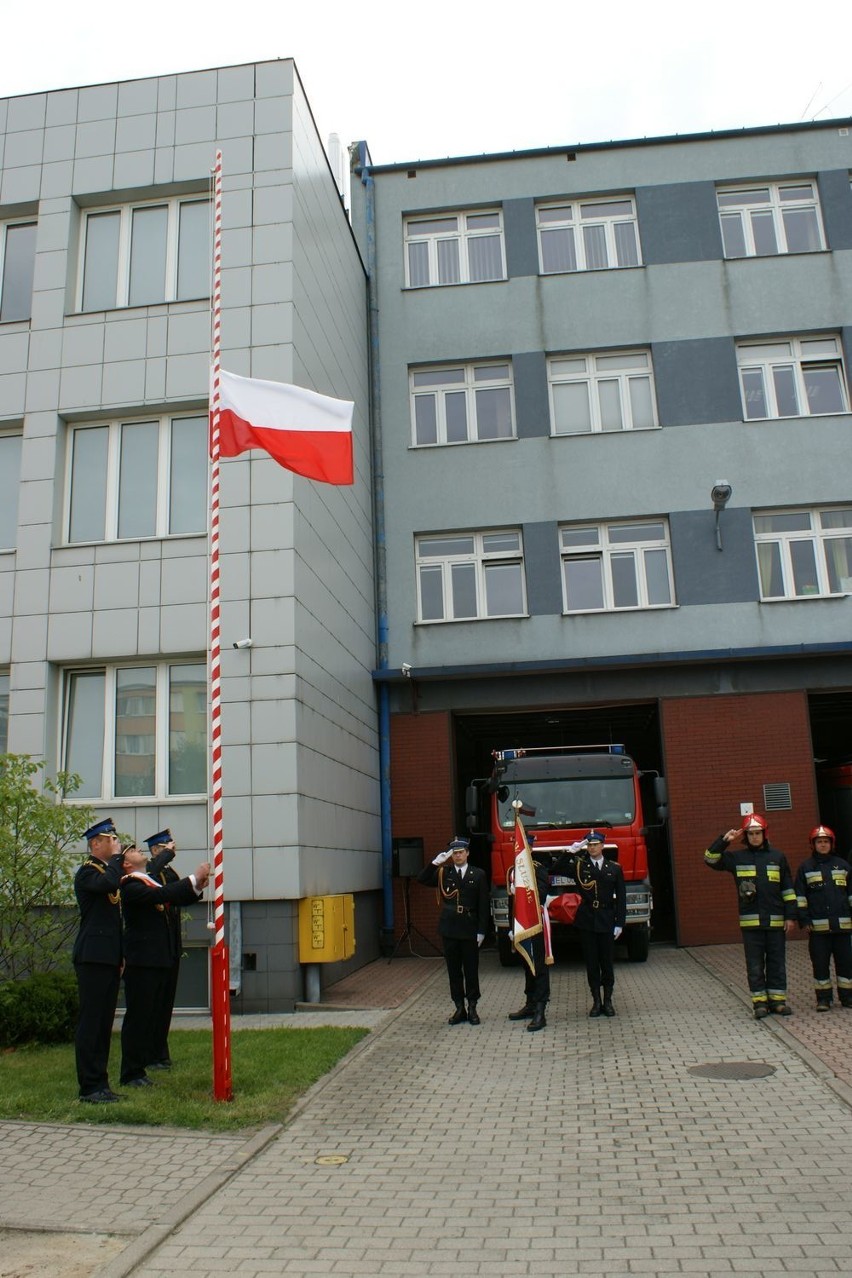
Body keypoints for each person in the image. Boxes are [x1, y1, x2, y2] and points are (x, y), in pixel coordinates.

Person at [118, 845, 210, 1087]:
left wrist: (196, 886)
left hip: (157, 957)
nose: (139, 850)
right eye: (132, 851)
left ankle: (144, 1063)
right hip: (142, 961)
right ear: (127, 864)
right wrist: (192, 878)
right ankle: (131, 1072)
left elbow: (171, 895)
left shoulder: (147, 881)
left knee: (151, 1013)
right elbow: (161, 895)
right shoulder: (130, 885)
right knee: (138, 1016)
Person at [704, 813, 797, 1019]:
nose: (755, 837)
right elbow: (709, 859)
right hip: (751, 924)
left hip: (775, 922)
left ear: (765, 834)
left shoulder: (778, 857)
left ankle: (778, 1002)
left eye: (758, 833)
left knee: (776, 963)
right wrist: (724, 840)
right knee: (755, 965)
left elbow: (788, 889)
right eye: (751, 834)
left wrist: (791, 917)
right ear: (746, 836)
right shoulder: (736, 858)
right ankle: (759, 1004)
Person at [72, 817, 125, 1104]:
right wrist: (117, 859)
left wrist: (120, 955)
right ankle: (88, 1086)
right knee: (91, 1022)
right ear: (96, 844)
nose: (116, 842)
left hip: (107, 957)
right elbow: (107, 884)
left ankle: (101, 1083)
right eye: (111, 839)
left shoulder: (108, 872)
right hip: (92, 957)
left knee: (105, 1022)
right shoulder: (87, 873)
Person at [417, 836, 489, 1025]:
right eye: (454, 853)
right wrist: (434, 863)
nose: (458, 856)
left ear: (467, 853)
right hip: (449, 928)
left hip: (469, 927)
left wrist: (482, 931)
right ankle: (459, 1008)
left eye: (461, 852)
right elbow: (422, 879)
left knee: (471, 970)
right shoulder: (444, 873)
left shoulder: (478, 874)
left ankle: (472, 1006)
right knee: (454, 971)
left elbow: (483, 905)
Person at [554, 830, 626, 1017]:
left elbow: (622, 898)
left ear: (602, 846)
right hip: (587, 919)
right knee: (592, 963)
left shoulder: (614, 868)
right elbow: (556, 869)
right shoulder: (580, 866)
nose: (592, 848)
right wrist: (570, 852)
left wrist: (620, 922)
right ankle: (596, 1001)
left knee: (607, 962)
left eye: (596, 844)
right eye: (589, 845)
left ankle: (608, 1001)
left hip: (607, 918)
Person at [794, 824, 852, 1011]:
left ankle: (847, 998)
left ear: (831, 844)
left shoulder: (843, 866)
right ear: (813, 845)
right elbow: (800, 897)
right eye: (819, 842)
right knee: (820, 965)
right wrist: (804, 920)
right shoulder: (806, 868)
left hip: (843, 927)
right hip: (817, 930)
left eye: (826, 841)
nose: (823, 844)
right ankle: (823, 1000)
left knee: (846, 964)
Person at [144, 828, 183, 1070]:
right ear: (156, 850)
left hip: (171, 946)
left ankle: (160, 1052)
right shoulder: (150, 870)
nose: (172, 848)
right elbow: (152, 875)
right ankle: (149, 1053)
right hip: (154, 948)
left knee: (166, 1003)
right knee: (154, 1004)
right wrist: (165, 856)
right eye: (166, 846)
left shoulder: (169, 872)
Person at [507, 841, 553, 1032]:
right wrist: (512, 926)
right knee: (526, 964)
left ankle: (541, 1011)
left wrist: (524, 888)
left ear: (530, 848)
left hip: (535, 924)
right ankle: (530, 1003)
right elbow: (512, 902)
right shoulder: (513, 870)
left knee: (539, 967)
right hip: (520, 926)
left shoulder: (537, 869)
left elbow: (541, 896)